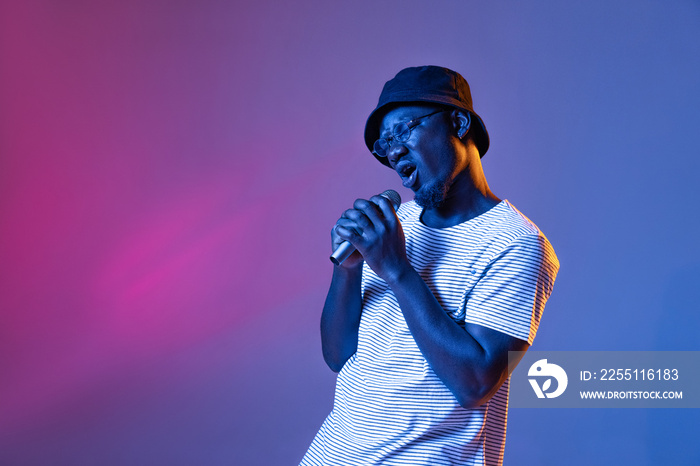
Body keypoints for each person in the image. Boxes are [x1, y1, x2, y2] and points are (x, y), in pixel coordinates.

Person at [300, 66, 559, 466]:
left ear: (457, 121)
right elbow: (337, 356)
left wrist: (398, 270)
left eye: (404, 130)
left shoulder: (516, 243)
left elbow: (475, 383)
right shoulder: (392, 225)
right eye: (384, 144)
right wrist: (347, 271)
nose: (394, 151)